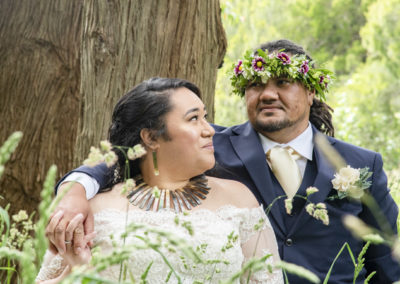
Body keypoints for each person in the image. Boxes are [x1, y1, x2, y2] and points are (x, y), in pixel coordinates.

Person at [47, 40, 400, 283]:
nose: (267, 94)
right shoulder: (210, 144)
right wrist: (75, 189)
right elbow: (126, 153)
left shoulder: (361, 163)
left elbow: (388, 261)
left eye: (283, 82)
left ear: (311, 91)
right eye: (255, 84)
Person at [37, 78, 283, 283]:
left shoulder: (239, 198)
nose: (210, 130)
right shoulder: (93, 211)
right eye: (193, 119)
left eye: (205, 117)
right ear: (151, 137)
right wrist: (78, 272)